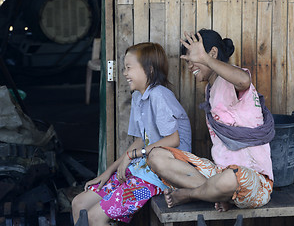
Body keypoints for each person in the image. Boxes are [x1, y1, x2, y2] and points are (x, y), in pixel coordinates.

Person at [147, 29, 275, 212]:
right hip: (219, 173)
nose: (190, 66)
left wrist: (206, 60)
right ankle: (216, 195)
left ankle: (189, 194)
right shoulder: (210, 89)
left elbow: (244, 80)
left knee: (231, 178)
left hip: (253, 181)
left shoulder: (231, 79)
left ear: (212, 53)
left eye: (193, 59)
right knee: (156, 156)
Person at [71, 42, 191, 225]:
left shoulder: (160, 95)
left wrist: (132, 155)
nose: (125, 73)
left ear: (149, 70)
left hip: (165, 175)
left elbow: (174, 140)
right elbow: (139, 141)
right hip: (142, 169)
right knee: (79, 203)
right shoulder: (138, 97)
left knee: (95, 217)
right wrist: (107, 172)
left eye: (129, 68)